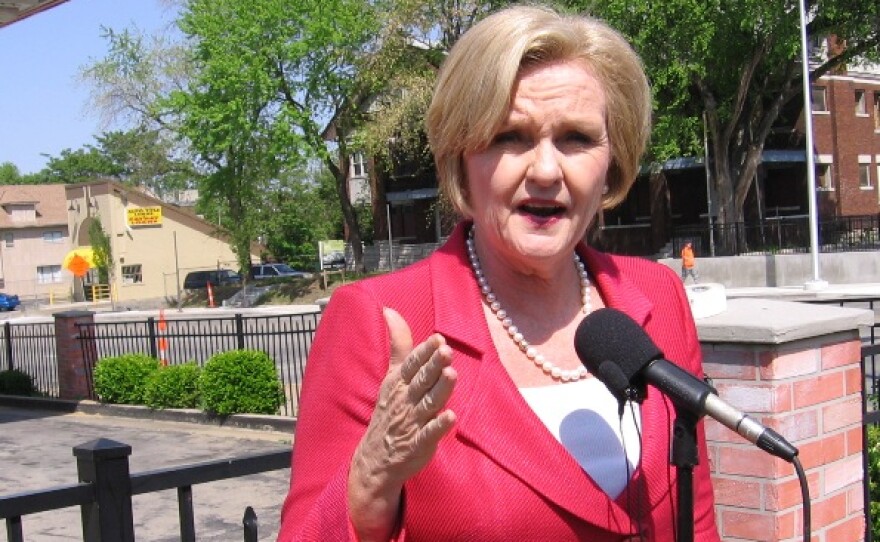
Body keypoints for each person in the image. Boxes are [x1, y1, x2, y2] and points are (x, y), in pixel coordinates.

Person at [277, 5, 720, 541]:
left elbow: (694, 520)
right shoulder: (379, 320)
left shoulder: (657, 295)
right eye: (511, 137)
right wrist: (371, 482)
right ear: (462, 155)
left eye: (576, 138)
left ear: (613, 160)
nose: (546, 171)